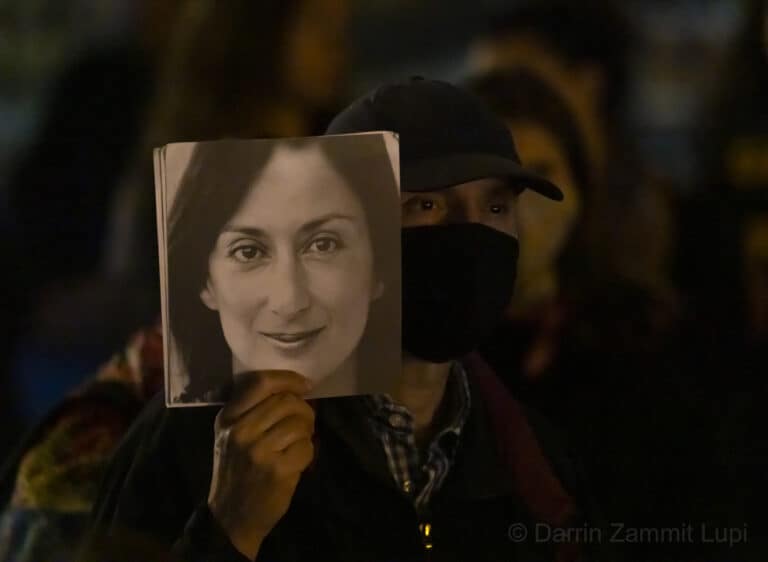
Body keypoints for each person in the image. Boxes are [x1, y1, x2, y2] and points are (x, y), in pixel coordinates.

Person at [78, 78, 610, 562]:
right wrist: (228, 530)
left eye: (495, 208)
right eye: (426, 206)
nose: (471, 236)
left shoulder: (533, 463)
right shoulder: (202, 440)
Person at [165, 135, 400, 403]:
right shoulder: (155, 424)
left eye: (324, 245)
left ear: (379, 267)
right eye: (248, 251)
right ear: (205, 282)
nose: (289, 303)